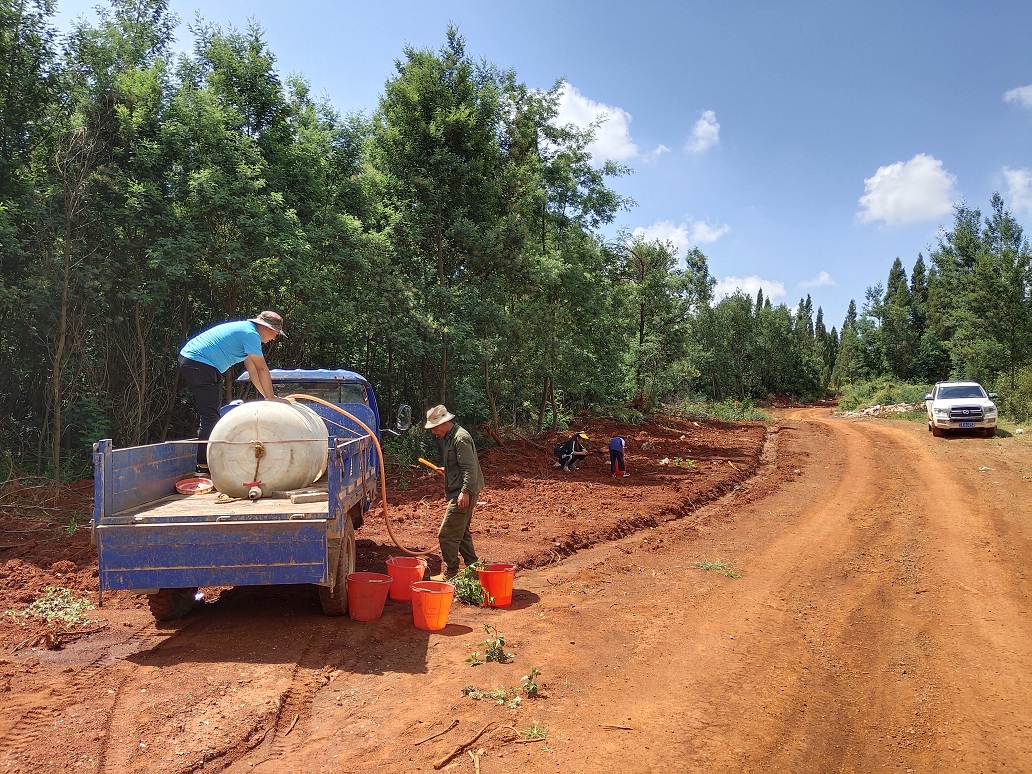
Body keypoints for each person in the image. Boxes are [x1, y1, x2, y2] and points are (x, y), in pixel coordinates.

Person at [178, 310, 287, 476]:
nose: (274, 337)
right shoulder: (251, 334)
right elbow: (262, 368)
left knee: (210, 414)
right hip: (199, 362)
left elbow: (253, 372)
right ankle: (203, 466)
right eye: (275, 333)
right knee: (210, 415)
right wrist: (272, 397)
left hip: (194, 360)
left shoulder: (247, 332)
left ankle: (204, 464)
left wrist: (267, 397)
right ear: (265, 328)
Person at [424, 404, 484, 581]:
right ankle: (474, 569)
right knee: (461, 532)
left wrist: (464, 492)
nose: (434, 432)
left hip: (465, 491)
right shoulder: (451, 437)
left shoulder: (460, 438)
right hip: (463, 489)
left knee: (447, 533)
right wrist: (448, 470)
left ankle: (451, 571)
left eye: (434, 427)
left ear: (444, 422)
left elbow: (469, 468)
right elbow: (460, 464)